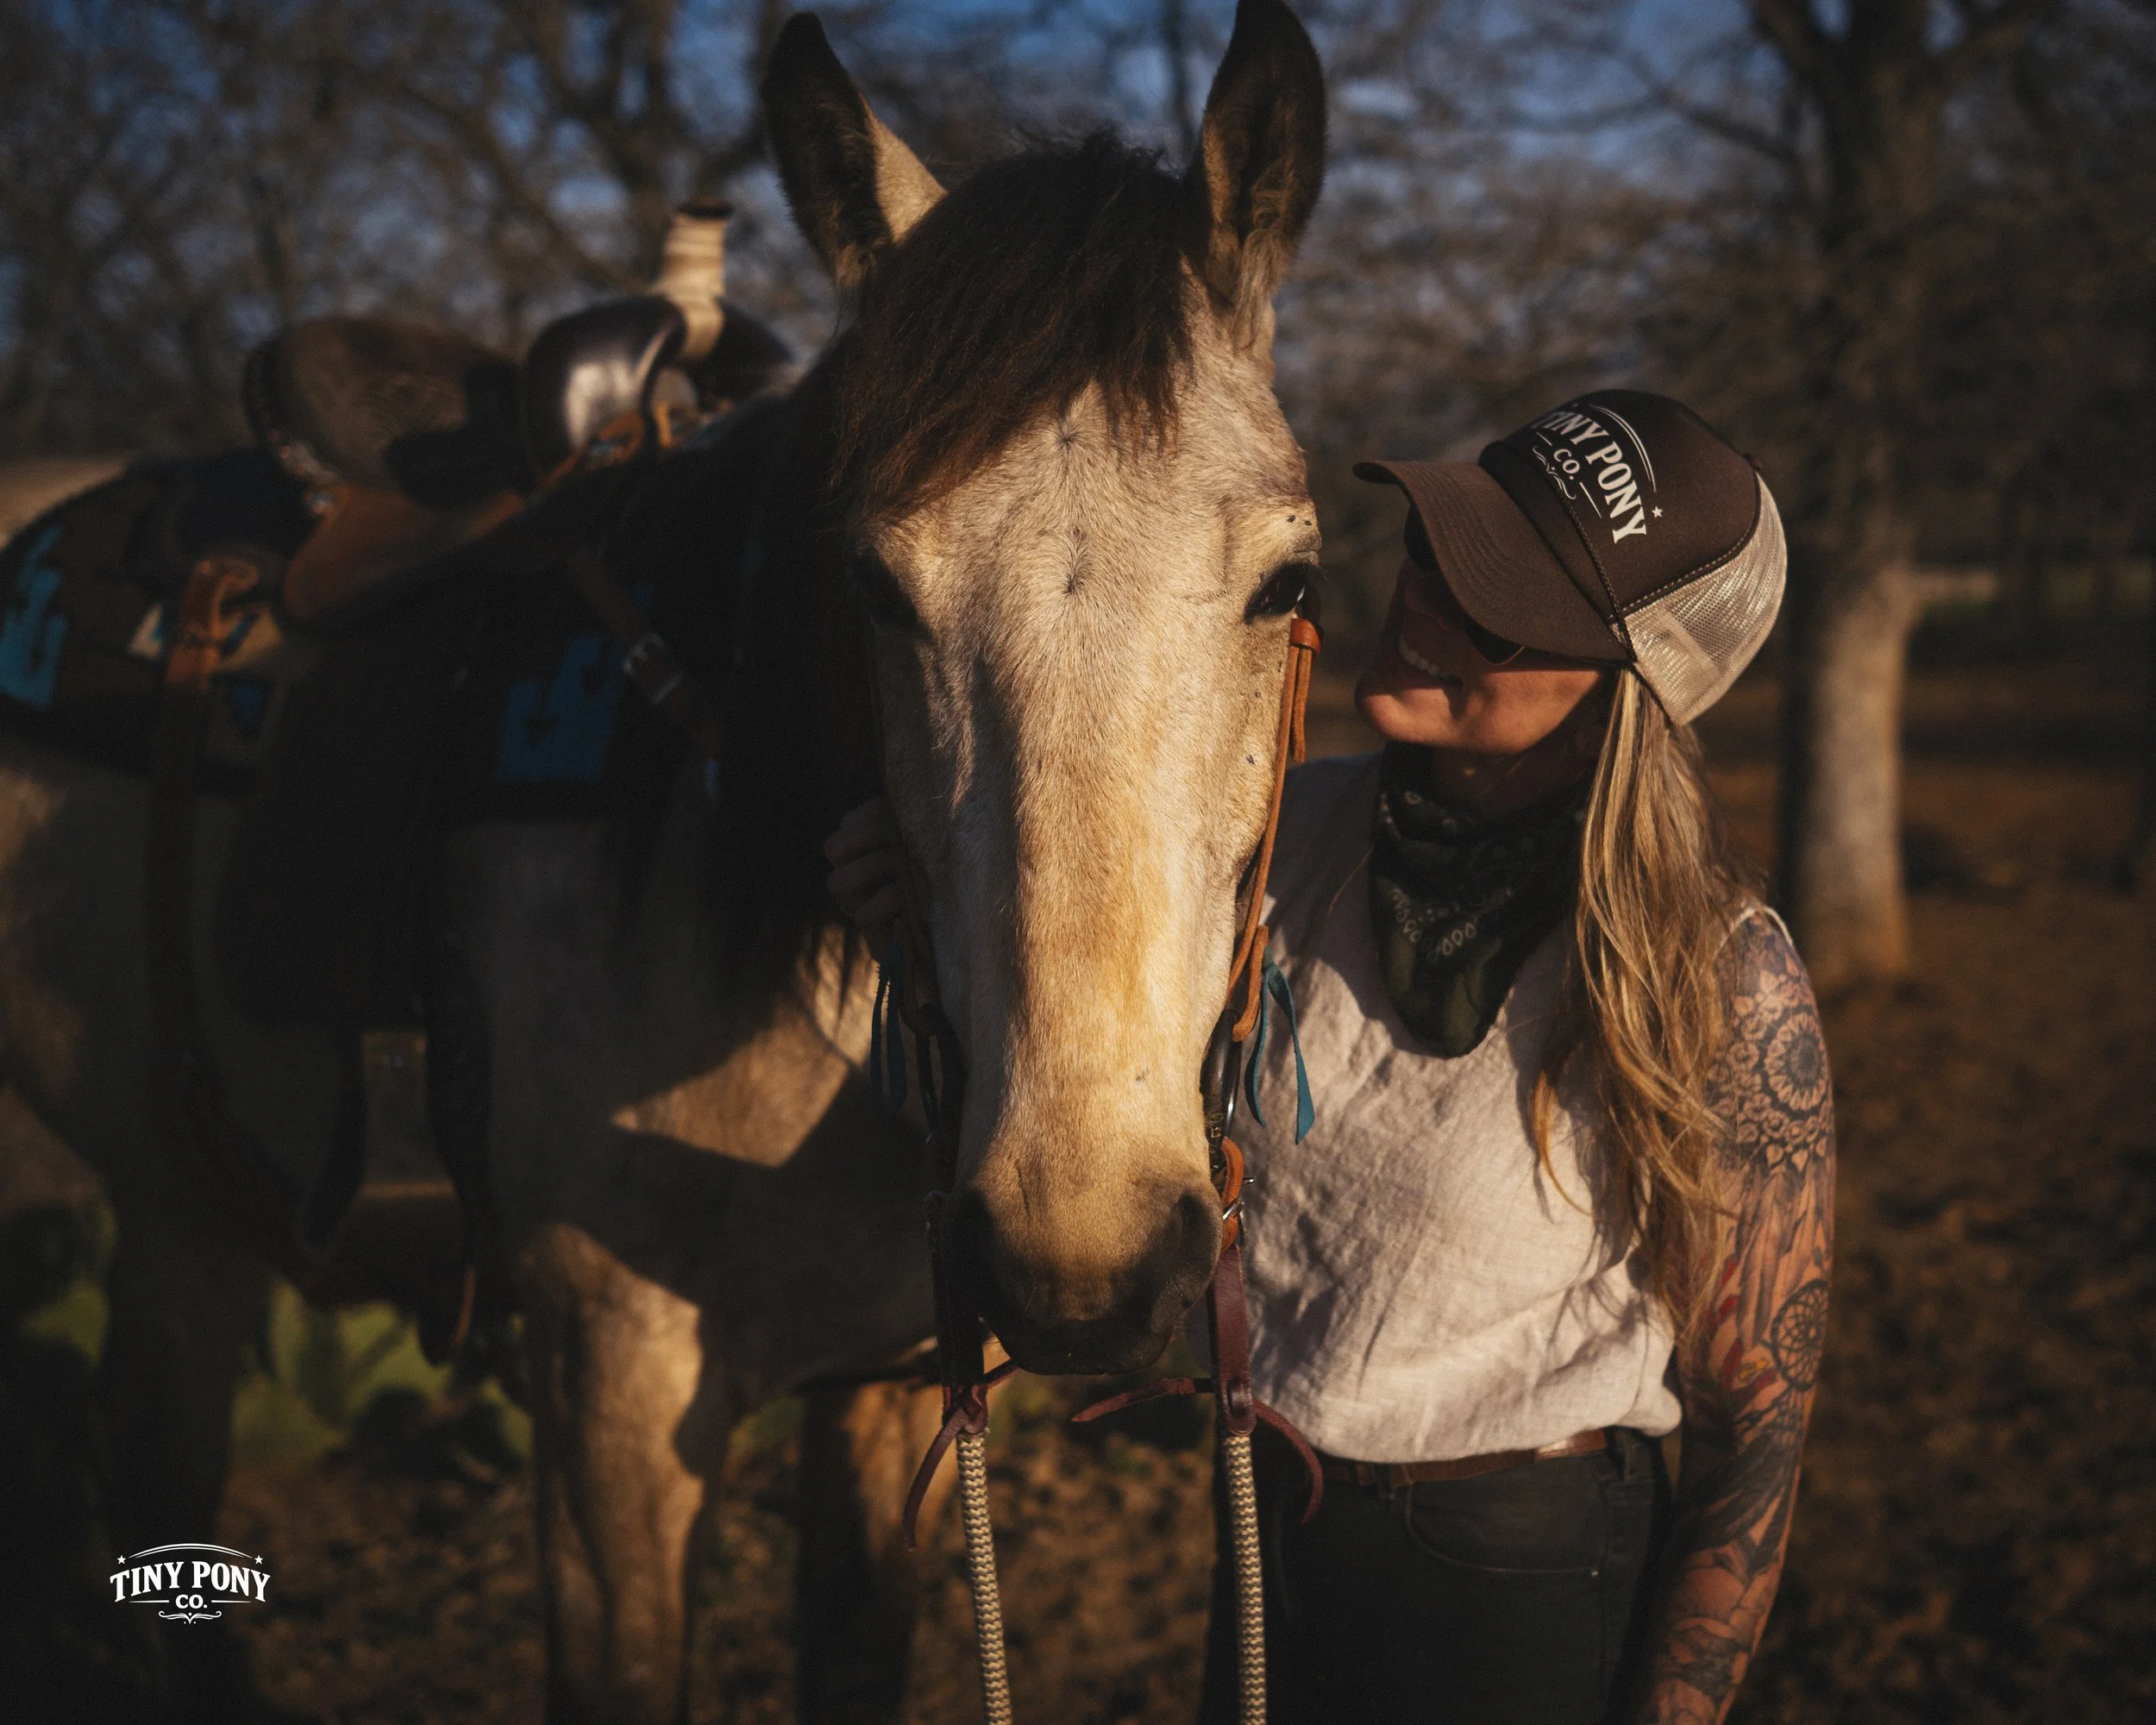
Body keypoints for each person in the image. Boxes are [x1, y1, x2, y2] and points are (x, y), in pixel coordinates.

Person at [824, 391, 1834, 1725]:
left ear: (1626, 693)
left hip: (1519, 1583)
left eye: (1495, 607)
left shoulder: (1710, 973)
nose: (1423, 599)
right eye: (1437, 548)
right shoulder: (1276, 842)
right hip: (1269, 1532)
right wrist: (930, 969)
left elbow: (1755, 1427)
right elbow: (1099, 1108)